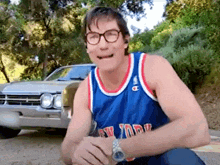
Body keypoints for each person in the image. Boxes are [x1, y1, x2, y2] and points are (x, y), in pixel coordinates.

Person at [61, 6, 210, 165]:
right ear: (87, 46)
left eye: (111, 35)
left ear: (125, 40)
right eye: (93, 37)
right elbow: (69, 144)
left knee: (181, 159)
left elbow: (197, 129)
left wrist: (118, 147)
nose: (102, 45)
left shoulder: (151, 68)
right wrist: (76, 152)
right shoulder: (87, 88)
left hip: (159, 161)